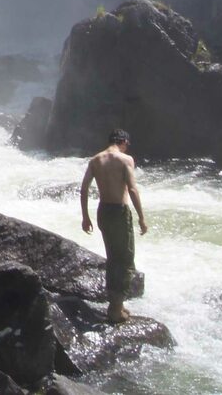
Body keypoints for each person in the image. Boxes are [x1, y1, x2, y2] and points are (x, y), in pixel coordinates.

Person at [80, 128, 148, 324]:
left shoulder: (95, 160)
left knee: (112, 257)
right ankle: (115, 310)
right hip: (119, 211)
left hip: (103, 211)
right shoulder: (125, 160)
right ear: (123, 141)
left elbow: (84, 190)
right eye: (127, 145)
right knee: (125, 260)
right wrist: (142, 218)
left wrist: (85, 217)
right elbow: (133, 190)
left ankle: (115, 303)